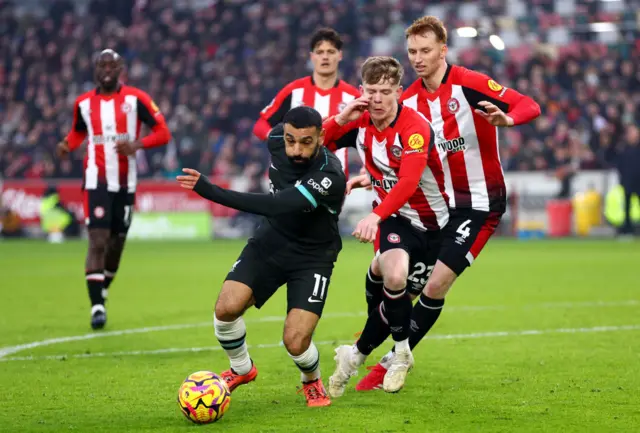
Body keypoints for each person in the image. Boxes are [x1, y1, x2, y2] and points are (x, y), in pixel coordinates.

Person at [353, 16, 541, 391]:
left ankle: (393, 362)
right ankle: (367, 346)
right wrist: (371, 175)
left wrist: (508, 118)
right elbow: (394, 151)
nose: (418, 58)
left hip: (479, 204)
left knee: (436, 285)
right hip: (437, 209)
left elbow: (529, 104)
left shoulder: (469, 83)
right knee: (403, 285)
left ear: (443, 50)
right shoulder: (406, 101)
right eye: (412, 52)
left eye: (426, 50)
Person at [178, 106, 346, 408]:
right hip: (271, 242)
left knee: (295, 341)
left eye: (306, 142)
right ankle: (242, 368)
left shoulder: (329, 175)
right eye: (291, 140)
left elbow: (274, 205)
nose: (296, 149)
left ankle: (312, 381)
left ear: (321, 138)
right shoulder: (275, 138)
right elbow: (267, 130)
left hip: (313, 256)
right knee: (226, 308)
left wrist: (210, 190)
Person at [319, 56, 449, 395]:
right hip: (394, 218)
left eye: (385, 91)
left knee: (392, 302)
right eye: (371, 90)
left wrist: (372, 214)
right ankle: (402, 355)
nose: (377, 98)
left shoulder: (415, 128)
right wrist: (341, 117)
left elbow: (407, 181)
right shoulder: (360, 120)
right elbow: (314, 142)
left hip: (433, 226)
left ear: (399, 92)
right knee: (394, 277)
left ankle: (353, 357)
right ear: (362, 90)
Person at [56, 49, 171, 329]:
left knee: (117, 242)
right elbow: (78, 132)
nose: (107, 69)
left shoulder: (137, 99)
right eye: (102, 65)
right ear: (96, 69)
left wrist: (136, 144)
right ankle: (97, 306)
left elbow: (163, 132)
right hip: (96, 180)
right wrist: (66, 144)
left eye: (112, 65)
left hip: (126, 182)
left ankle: (102, 288)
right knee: (97, 239)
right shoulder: (83, 103)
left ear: (120, 69)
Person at [253, 27, 360, 176]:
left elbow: (367, 137)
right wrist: (280, 141)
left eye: (331, 52)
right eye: (320, 52)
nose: (325, 57)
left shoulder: (352, 97)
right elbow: (260, 125)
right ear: (312, 56)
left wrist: (367, 165)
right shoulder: (294, 91)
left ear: (340, 55)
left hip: (333, 181)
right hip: (293, 178)